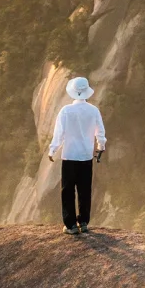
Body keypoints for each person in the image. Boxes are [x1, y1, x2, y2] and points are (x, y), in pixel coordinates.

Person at [48, 76, 107, 235]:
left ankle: (71, 225)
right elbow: (100, 132)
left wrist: (52, 150)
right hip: (86, 156)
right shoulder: (93, 110)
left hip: (69, 156)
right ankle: (84, 222)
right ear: (87, 92)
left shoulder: (66, 111)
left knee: (67, 190)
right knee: (84, 190)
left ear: (73, 92)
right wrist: (101, 147)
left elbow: (59, 134)